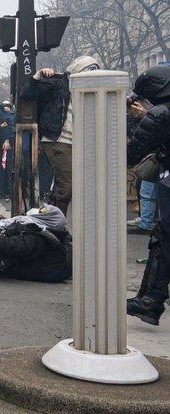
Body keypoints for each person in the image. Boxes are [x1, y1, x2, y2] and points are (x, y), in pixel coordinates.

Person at [22, 55, 100, 215]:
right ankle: (56, 227)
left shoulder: (93, 93)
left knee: (67, 185)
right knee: (67, 186)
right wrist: (37, 77)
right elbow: (27, 94)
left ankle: (52, 223)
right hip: (57, 140)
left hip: (79, 143)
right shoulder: (57, 84)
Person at [126, 65, 170, 326]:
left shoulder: (160, 114)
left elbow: (131, 153)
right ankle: (150, 300)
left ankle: (151, 301)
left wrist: (136, 119)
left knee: (163, 241)